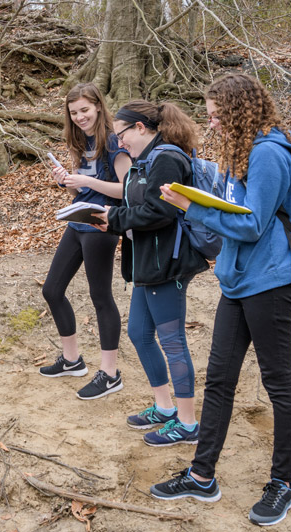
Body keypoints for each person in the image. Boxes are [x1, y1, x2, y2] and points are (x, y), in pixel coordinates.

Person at [151, 73, 291, 527]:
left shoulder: (268, 155)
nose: (211, 122)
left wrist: (191, 208)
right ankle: (202, 475)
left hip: (272, 281)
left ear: (239, 110)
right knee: (219, 379)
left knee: (278, 382)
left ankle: (284, 484)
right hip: (238, 281)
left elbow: (252, 225)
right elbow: (235, 212)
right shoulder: (243, 152)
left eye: (217, 114)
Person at [93, 101, 208, 445]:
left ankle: (187, 425)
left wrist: (112, 219)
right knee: (140, 334)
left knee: (173, 343)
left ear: (141, 128)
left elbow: (160, 212)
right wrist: (108, 217)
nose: (120, 143)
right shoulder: (145, 162)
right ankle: (164, 407)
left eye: (122, 135)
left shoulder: (167, 159)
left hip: (166, 264)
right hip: (147, 261)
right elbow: (136, 207)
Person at [39, 83, 131, 400]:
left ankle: (110, 374)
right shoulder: (82, 140)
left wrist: (85, 180)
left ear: (98, 107)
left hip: (103, 224)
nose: (79, 117)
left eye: (85, 110)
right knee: (51, 289)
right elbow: (83, 192)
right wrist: (68, 183)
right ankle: (71, 360)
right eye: (74, 112)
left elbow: (127, 190)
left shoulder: (114, 141)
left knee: (101, 297)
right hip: (79, 220)